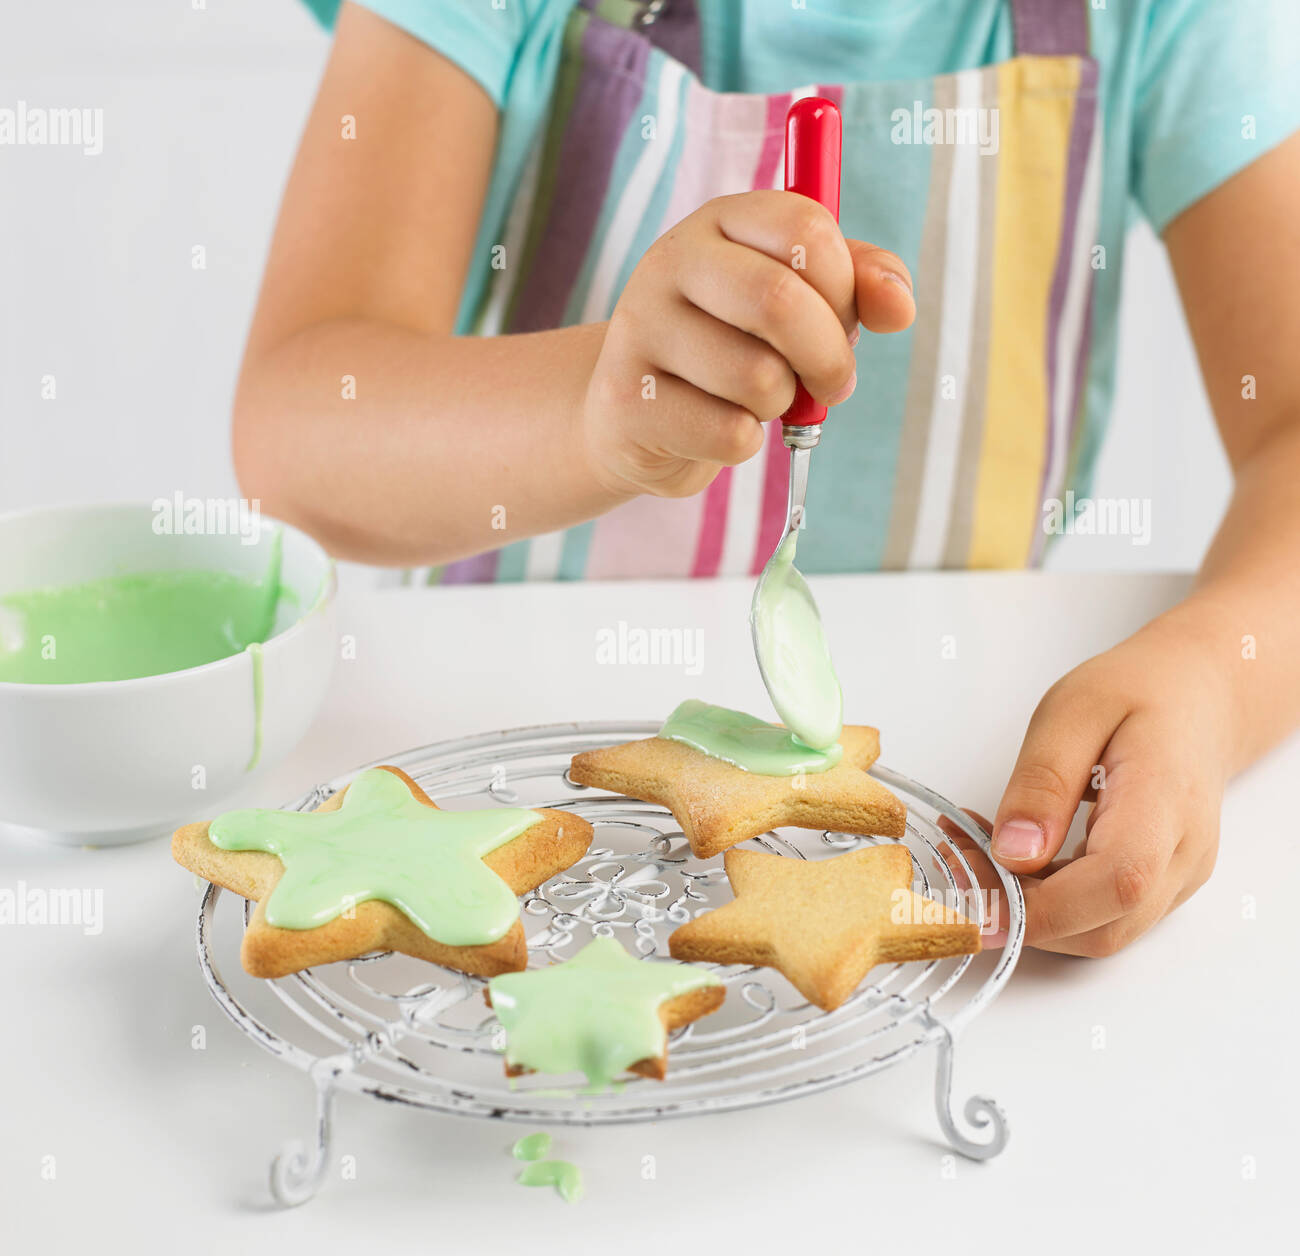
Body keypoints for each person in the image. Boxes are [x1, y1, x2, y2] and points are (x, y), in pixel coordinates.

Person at [234, 1, 1300, 956]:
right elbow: (294, 426)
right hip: (495, 765)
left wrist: (1215, 672)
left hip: (957, 764)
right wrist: (595, 409)